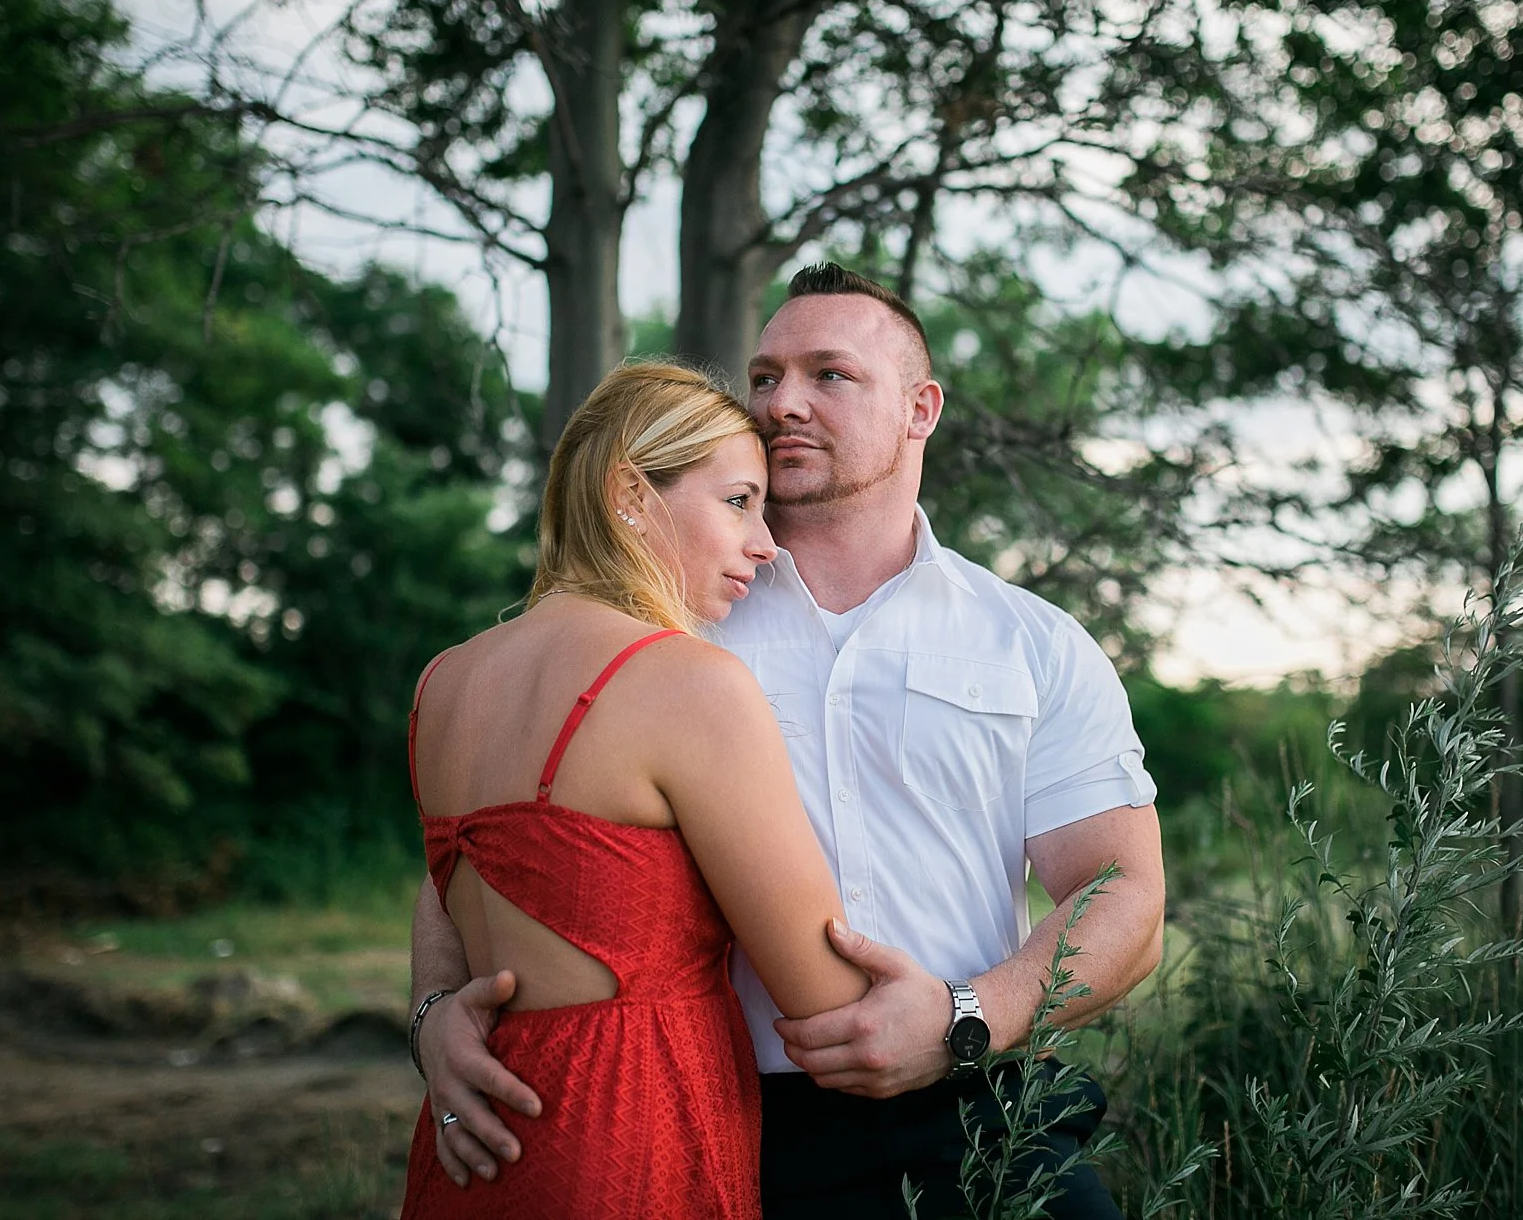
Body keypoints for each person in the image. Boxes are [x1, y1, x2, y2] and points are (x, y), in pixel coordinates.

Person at [415, 266, 1166, 1218]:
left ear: (919, 408)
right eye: (764, 376)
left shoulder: (1032, 641)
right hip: (724, 1119)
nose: (783, 403)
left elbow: (1124, 891)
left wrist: (963, 1017)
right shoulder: (665, 629)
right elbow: (488, 841)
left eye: (829, 375)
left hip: (972, 1110)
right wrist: (433, 1013)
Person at [397, 362, 869, 1220]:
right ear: (628, 494)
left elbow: (454, 884)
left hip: (468, 1146)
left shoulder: (443, 682)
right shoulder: (689, 684)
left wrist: (429, 1013)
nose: (767, 544)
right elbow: (824, 995)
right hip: (629, 1142)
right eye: (738, 501)